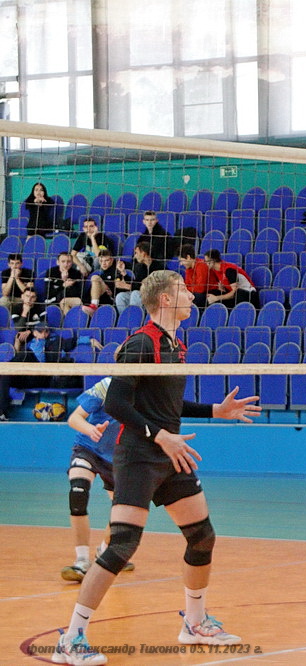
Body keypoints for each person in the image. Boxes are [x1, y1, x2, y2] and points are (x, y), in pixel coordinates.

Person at [52, 270, 261, 665]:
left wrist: (215, 411)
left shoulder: (175, 345)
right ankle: (72, 638)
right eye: (183, 290)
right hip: (138, 456)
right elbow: (116, 403)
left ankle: (194, 623)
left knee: (202, 537)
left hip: (170, 454)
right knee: (122, 546)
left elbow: (165, 404)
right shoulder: (141, 344)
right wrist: (161, 436)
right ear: (165, 299)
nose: (191, 295)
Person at [61, 377, 136, 582]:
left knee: (122, 514)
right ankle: (81, 561)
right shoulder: (106, 386)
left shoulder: (147, 392)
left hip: (119, 458)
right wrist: (91, 430)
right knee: (78, 492)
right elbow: (74, 418)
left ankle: (104, 552)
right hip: (88, 449)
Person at [0, 322, 99, 421]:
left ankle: (5, 367)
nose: (44, 334)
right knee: (4, 375)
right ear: (35, 333)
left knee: (26, 356)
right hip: (28, 376)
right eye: (41, 331)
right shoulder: (30, 343)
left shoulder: (56, 341)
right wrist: (18, 343)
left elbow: (74, 341)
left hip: (44, 377)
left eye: (46, 331)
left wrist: (89, 340)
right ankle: (1, 411)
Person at [116, 242, 164, 313]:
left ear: (143, 254)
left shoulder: (159, 267)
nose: (135, 256)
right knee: (120, 297)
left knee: (135, 294)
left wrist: (126, 286)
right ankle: (126, 317)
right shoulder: (139, 267)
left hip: (153, 295)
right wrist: (123, 272)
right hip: (141, 294)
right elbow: (136, 284)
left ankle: (134, 316)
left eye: (136, 253)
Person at [178, 244, 211, 309]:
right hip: (197, 293)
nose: (181, 264)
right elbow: (187, 284)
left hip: (207, 294)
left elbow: (200, 289)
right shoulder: (189, 268)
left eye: (181, 261)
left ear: (188, 257)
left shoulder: (201, 266)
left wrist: (186, 289)